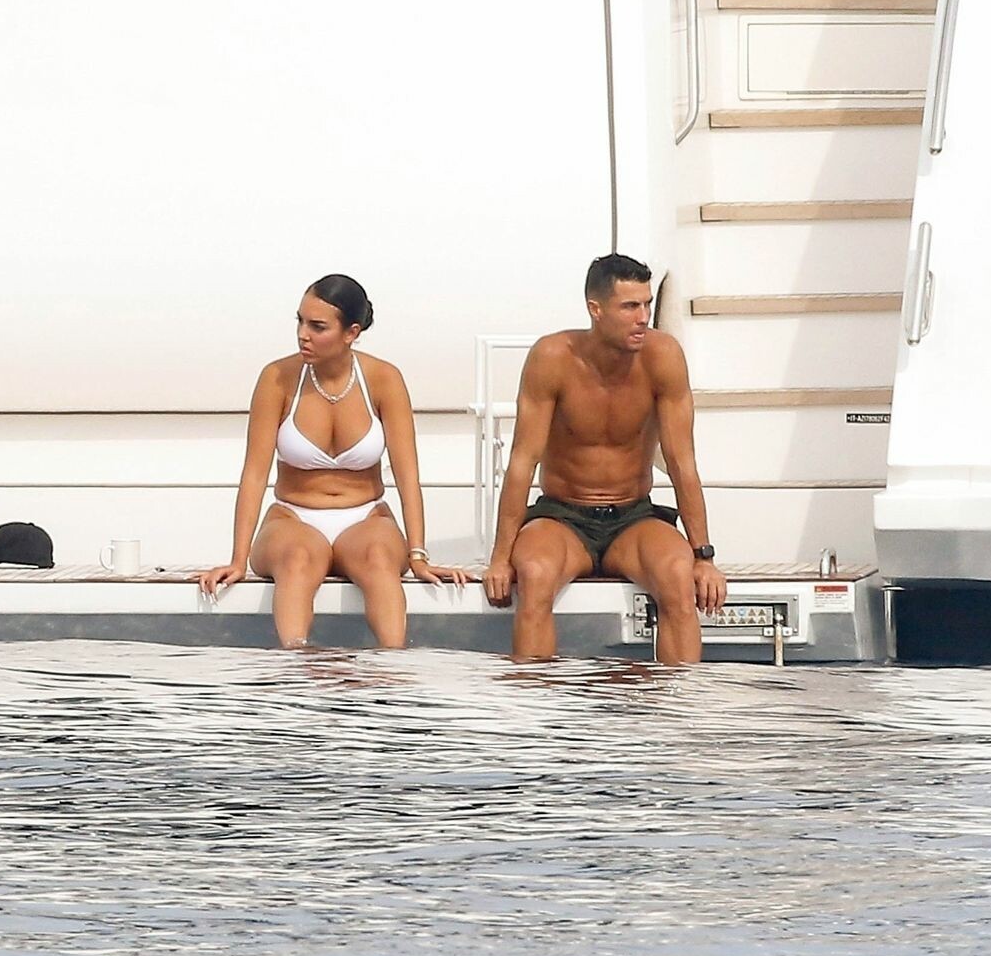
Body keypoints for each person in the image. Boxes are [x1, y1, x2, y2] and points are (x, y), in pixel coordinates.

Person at [482, 253, 726, 665]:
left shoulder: (663, 356)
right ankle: (534, 699)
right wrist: (500, 558)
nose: (642, 318)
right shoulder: (553, 357)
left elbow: (682, 463)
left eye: (647, 304)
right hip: (562, 517)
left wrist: (704, 556)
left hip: (633, 517)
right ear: (596, 309)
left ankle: (683, 700)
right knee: (534, 576)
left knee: (678, 575)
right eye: (629, 306)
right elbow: (522, 462)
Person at [198, 274, 467, 646]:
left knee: (379, 559)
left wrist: (418, 555)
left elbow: (408, 477)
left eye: (317, 326)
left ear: (351, 332)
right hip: (293, 516)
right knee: (296, 559)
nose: (302, 335)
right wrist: (237, 560)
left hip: (366, 515)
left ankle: (394, 668)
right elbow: (254, 474)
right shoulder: (277, 378)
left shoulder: (384, 379)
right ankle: (295, 664)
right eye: (300, 321)